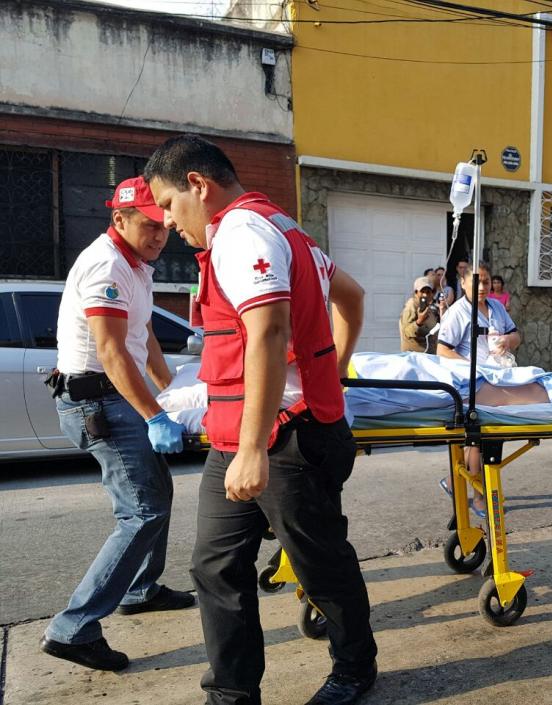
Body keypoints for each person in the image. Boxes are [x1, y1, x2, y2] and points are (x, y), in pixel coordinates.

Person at [145, 134, 378, 705]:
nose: (168, 221)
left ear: (198, 185)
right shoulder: (284, 229)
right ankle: (231, 692)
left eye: (169, 204)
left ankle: (354, 669)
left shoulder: (242, 232)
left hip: (285, 437)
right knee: (215, 566)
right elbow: (351, 296)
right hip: (240, 433)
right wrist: (332, 369)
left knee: (320, 565)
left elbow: (269, 330)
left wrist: (254, 448)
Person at [40, 176, 195, 672]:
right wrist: (155, 415)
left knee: (157, 494)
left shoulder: (137, 266)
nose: (159, 236)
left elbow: (143, 337)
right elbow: (110, 351)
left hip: (115, 397)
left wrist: (174, 394)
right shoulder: (106, 264)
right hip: (98, 403)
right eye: (148, 225)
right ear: (119, 219)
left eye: (163, 226)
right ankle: (73, 628)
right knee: (142, 511)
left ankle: (140, 589)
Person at [437, 263, 521, 516]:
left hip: (496, 382)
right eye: (476, 281)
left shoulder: (496, 307)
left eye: (486, 281)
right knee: (477, 439)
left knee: (489, 438)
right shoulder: (458, 312)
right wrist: (472, 367)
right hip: (471, 383)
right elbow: (442, 350)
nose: (482, 287)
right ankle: (480, 496)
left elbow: (516, 335)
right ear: (463, 283)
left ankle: (453, 482)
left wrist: (507, 340)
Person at [400, 276, 440, 352]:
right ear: (416, 292)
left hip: (428, 354)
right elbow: (407, 332)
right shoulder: (411, 306)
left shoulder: (427, 306)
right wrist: (419, 322)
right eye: (422, 292)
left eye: (428, 292)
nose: (425, 295)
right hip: (415, 355)